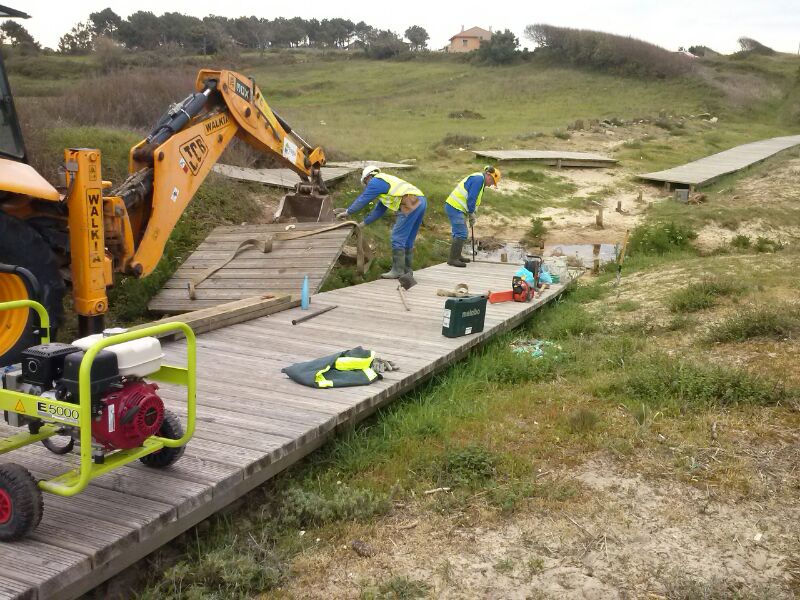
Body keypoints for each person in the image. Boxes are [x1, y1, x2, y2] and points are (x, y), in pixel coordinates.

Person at [337, 166, 427, 279]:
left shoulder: (376, 181)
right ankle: (407, 271)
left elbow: (363, 199)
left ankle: (397, 271)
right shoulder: (385, 185)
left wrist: (348, 211)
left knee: (397, 237)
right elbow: (378, 211)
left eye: (365, 182)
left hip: (410, 201)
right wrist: (363, 224)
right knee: (408, 239)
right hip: (420, 200)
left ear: (368, 177)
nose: (367, 185)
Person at [444, 165, 501, 268]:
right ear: (489, 176)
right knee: (461, 233)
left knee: (459, 232)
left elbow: (474, 199)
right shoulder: (478, 179)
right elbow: (471, 198)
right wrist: (471, 213)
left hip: (457, 208)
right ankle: (452, 259)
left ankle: (457, 256)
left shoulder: (480, 180)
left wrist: (473, 211)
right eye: (492, 182)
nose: (490, 185)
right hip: (454, 207)